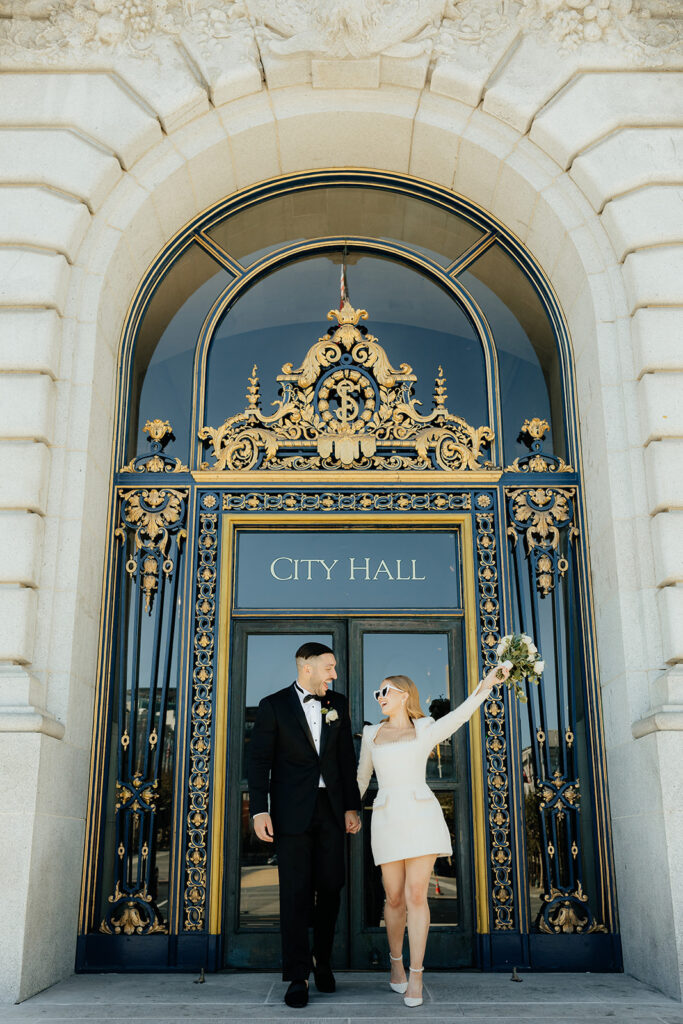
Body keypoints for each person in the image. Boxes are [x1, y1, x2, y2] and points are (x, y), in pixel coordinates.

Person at [356, 663, 508, 1007]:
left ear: (404, 695)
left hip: (421, 815)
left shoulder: (424, 727)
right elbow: (362, 779)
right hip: (386, 818)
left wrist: (484, 686)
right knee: (393, 898)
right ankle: (395, 963)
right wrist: (345, 807)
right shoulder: (371, 734)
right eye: (377, 693)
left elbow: (458, 716)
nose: (379, 697)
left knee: (416, 896)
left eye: (385, 691)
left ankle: (416, 975)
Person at [248, 641, 362, 1008]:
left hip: (331, 811)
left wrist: (351, 807)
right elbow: (259, 762)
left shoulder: (338, 704)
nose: (334, 674)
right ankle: (298, 975)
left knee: (332, 885)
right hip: (290, 813)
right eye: (328, 667)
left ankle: (322, 960)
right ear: (305, 666)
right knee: (295, 893)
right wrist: (259, 810)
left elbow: (347, 758)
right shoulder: (273, 705)